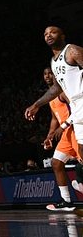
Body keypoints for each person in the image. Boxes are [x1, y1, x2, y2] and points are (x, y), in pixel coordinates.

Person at [26, 27, 83, 202]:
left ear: (62, 36)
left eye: (52, 32)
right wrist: (37, 104)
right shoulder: (54, 61)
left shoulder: (72, 50)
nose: (48, 35)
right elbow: (57, 87)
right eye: (45, 34)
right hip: (77, 106)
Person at [41, 66, 81, 211]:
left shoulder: (63, 91)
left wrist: (63, 126)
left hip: (75, 130)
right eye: (45, 74)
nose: (47, 76)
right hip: (65, 135)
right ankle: (67, 201)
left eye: (50, 73)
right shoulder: (50, 96)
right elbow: (54, 119)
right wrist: (49, 136)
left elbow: (78, 108)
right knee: (56, 163)